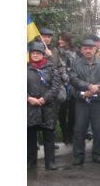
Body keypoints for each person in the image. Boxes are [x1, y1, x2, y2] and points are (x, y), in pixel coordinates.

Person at [70, 38, 100, 165]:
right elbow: (73, 79)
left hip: (99, 101)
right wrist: (88, 87)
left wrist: (97, 87)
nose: (88, 51)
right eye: (85, 48)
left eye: (91, 48)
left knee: (99, 129)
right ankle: (78, 156)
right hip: (82, 101)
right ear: (82, 50)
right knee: (80, 129)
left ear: (95, 49)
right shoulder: (76, 63)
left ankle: (98, 154)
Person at [27, 42, 61, 170]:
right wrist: (28, 98)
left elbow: (56, 86)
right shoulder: (26, 67)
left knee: (49, 135)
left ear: (43, 54)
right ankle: (31, 161)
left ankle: (50, 161)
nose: (35, 55)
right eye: (33, 53)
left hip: (47, 106)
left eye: (38, 53)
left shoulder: (51, 68)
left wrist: (44, 99)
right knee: (30, 136)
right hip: (30, 106)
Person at [57, 32, 77, 145]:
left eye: (62, 39)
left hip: (73, 83)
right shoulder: (56, 51)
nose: (60, 41)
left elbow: (76, 66)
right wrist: (65, 79)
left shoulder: (74, 52)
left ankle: (70, 132)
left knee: (73, 110)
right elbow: (58, 66)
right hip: (61, 83)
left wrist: (72, 80)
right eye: (59, 39)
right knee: (63, 110)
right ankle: (64, 133)